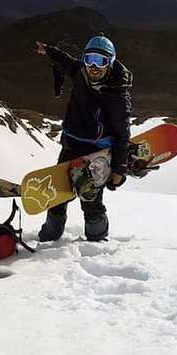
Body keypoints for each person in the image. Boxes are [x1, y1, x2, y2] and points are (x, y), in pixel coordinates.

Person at [34, 35, 133, 242]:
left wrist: (118, 169)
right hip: (71, 144)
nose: (94, 66)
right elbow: (66, 60)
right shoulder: (80, 72)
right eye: (90, 59)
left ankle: (97, 242)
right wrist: (49, 50)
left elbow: (122, 134)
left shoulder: (117, 95)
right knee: (57, 195)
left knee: (90, 198)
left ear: (110, 62)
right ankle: (50, 237)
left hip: (96, 151)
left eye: (101, 61)